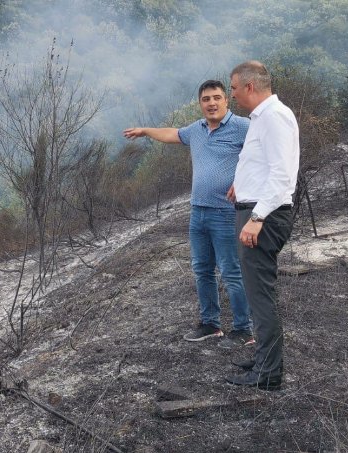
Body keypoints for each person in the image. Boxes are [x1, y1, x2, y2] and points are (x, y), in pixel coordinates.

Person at [124, 80, 254, 348]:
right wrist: (146, 131)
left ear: (227, 100)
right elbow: (173, 134)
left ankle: (244, 330)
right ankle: (211, 324)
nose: (212, 103)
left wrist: (245, 180)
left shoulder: (244, 127)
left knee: (231, 272)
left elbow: (266, 156)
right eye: (206, 99)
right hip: (198, 212)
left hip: (227, 213)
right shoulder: (197, 129)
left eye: (217, 97)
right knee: (202, 270)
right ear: (200, 103)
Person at [224, 61, 300, 390]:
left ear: (250, 87)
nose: (232, 94)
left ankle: (268, 374)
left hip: (264, 217)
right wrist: (242, 184)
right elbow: (263, 165)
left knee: (261, 296)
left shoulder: (275, 116)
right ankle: (263, 359)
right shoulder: (261, 118)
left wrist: (256, 218)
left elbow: (283, 174)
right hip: (255, 209)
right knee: (257, 295)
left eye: (234, 88)